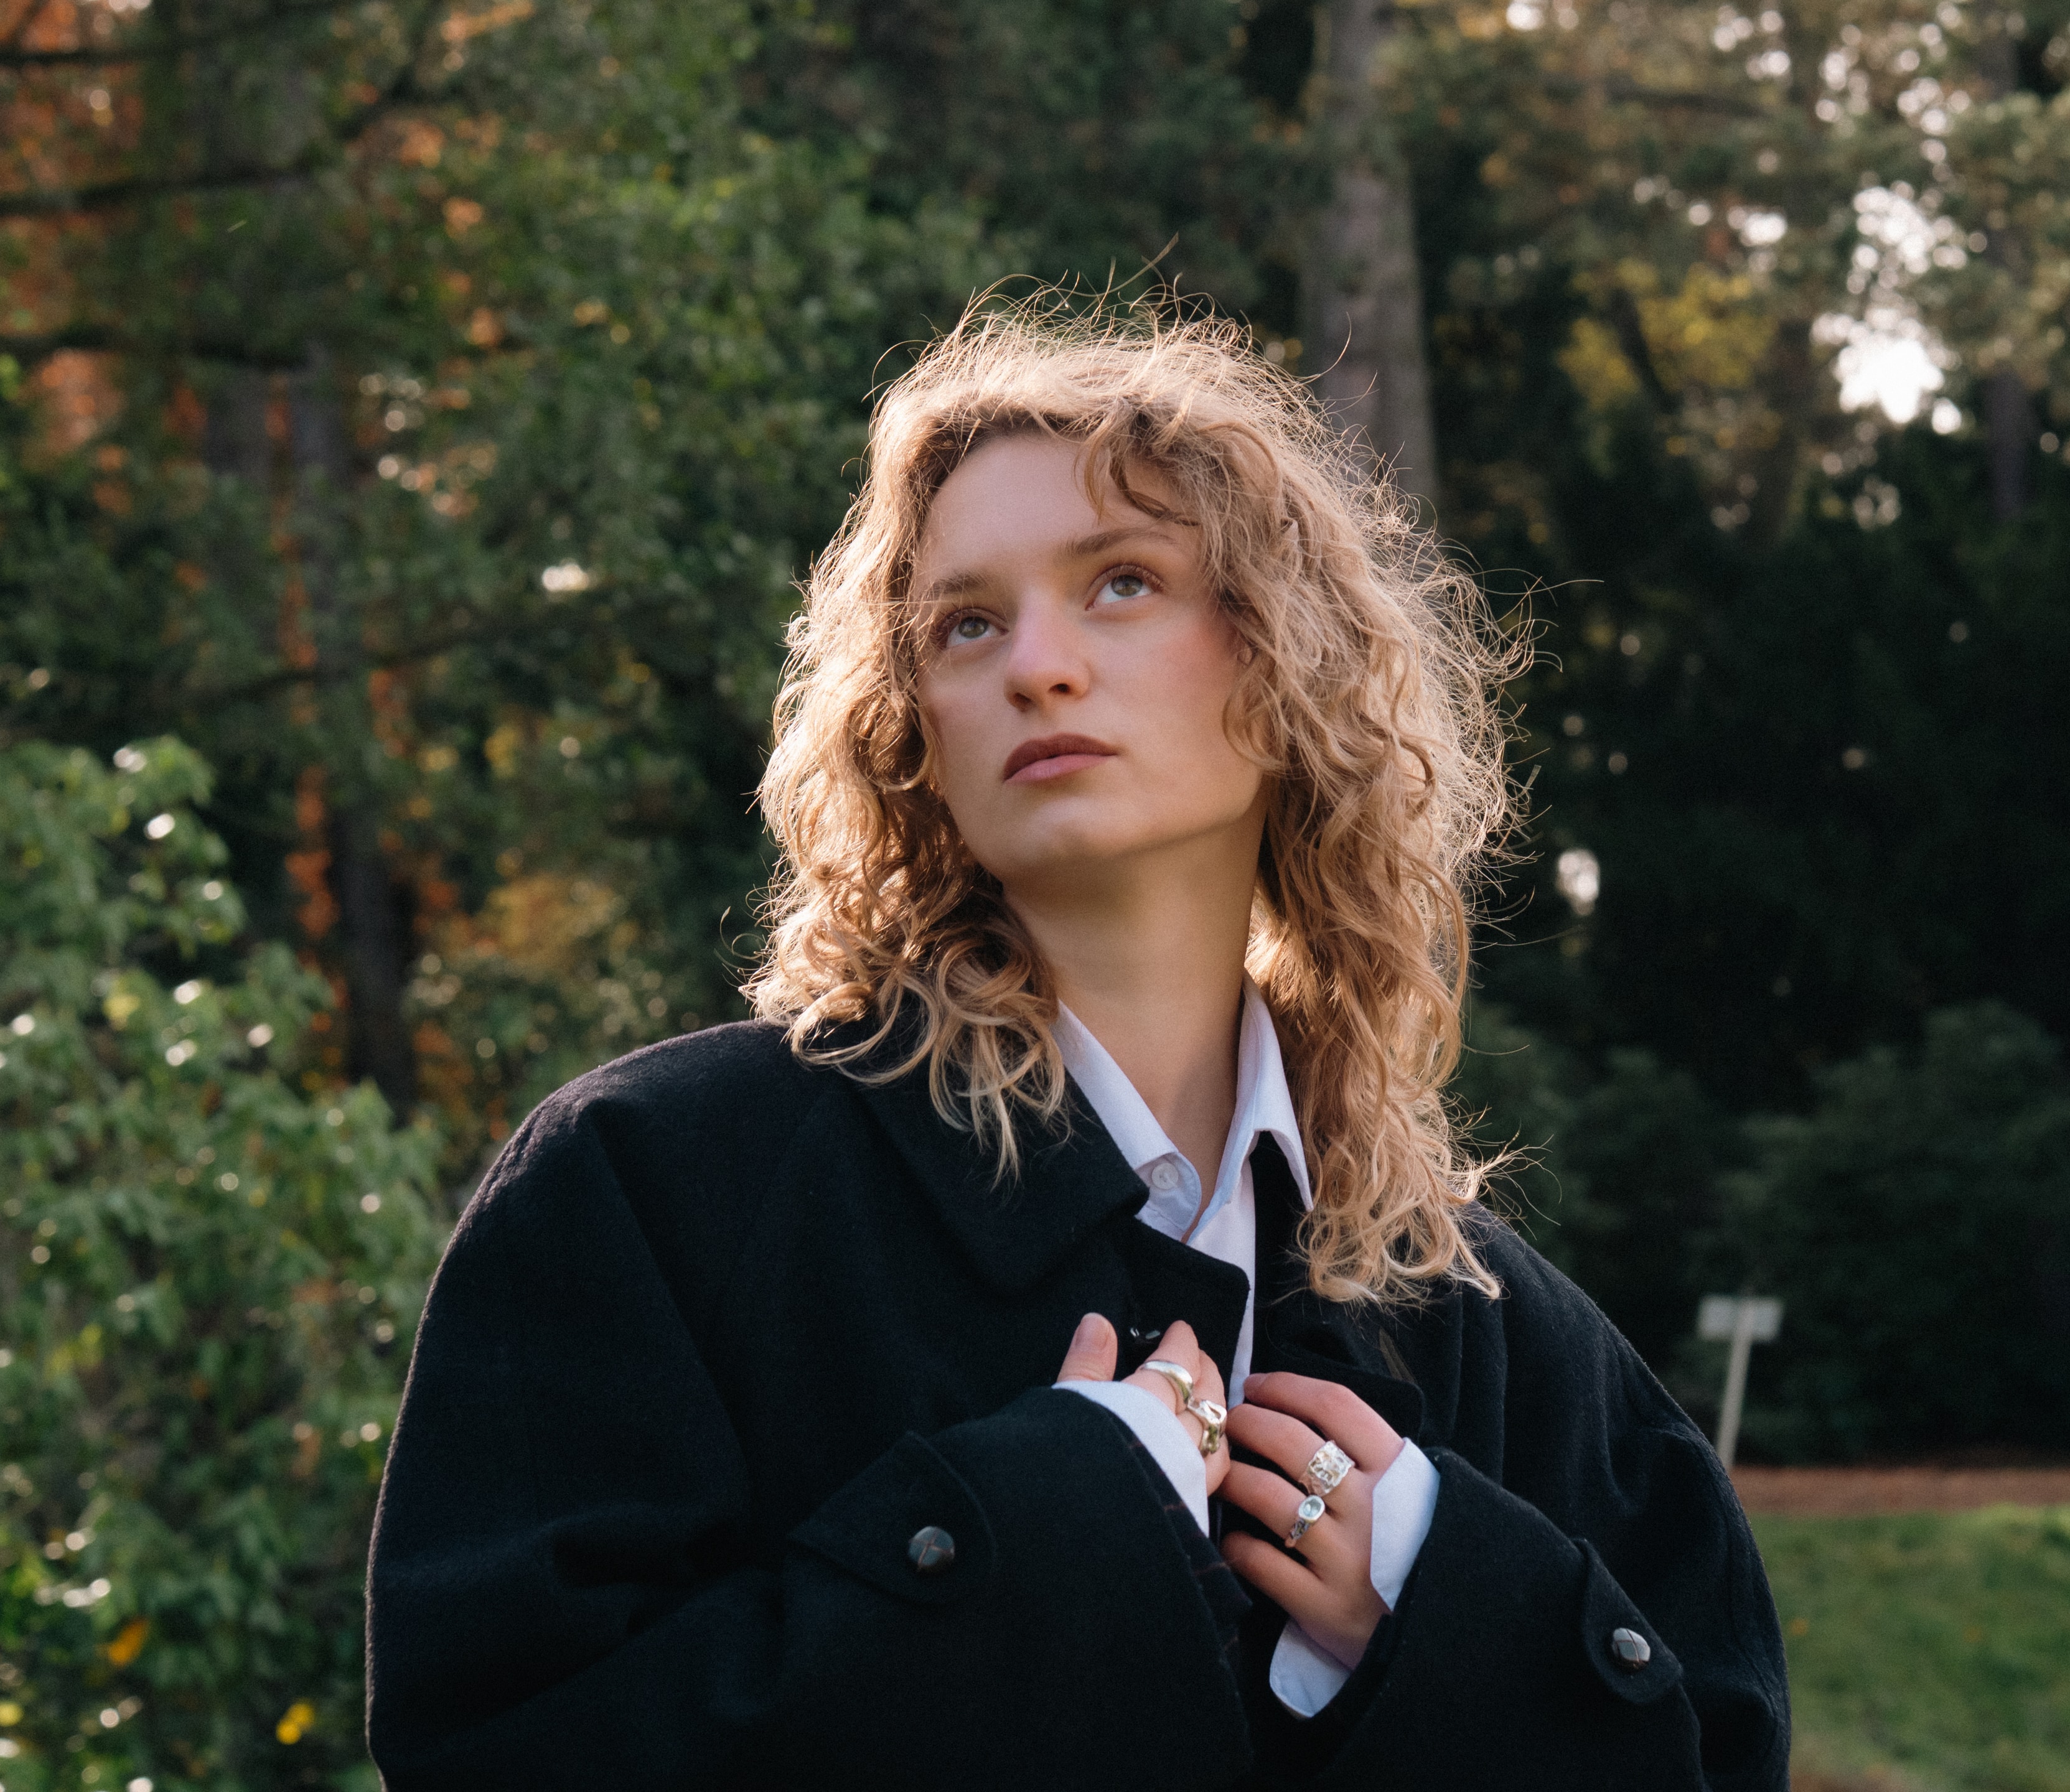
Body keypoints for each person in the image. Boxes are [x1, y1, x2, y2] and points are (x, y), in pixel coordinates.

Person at [363, 300, 1790, 1790]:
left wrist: (1455, 1616)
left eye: (1121, 583)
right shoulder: (655, 1192)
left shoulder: (1490, 1330)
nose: (1036, 666)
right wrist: (1030, 1542)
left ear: (1285, 656)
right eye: (965, 622)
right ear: (910, 723)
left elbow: (1719, 1754)